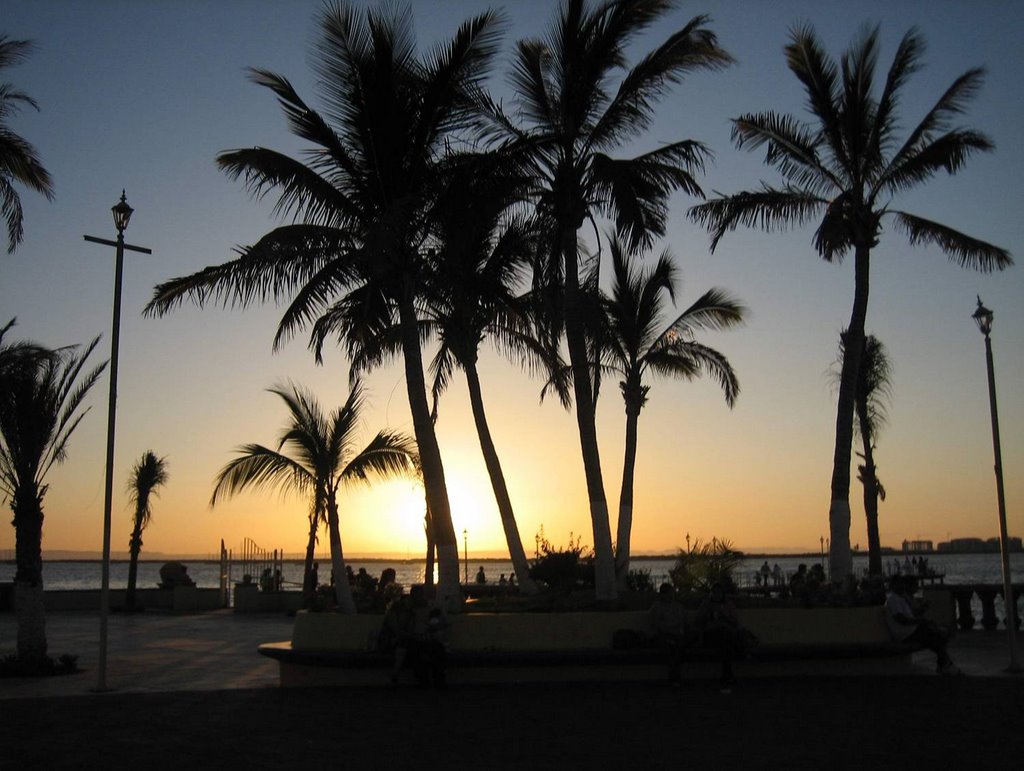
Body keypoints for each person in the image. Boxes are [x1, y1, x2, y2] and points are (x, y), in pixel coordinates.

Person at [885, 574, 959, 675]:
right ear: (893, 585)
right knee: (937, 637)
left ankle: (944, 665)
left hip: (912, 630)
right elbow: (901, 619)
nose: (902, 586)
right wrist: (919, 621)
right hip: (905, 633)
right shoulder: (893, 600)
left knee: (938, 636)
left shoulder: (901, 598)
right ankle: (945, 665)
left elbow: (911, 616)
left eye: (902, 583)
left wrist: (921, 620)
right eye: (899, 584)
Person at [694, 582, 749, 691]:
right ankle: (730, 671)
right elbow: (698, 621)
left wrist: (724, 615)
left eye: (719, 593)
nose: (717, 595)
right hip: (710, 635)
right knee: (725, 636)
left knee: (725, 643)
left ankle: (727, 674)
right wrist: (708, 614)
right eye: (714, 593)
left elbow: (735, 622)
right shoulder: (706, 604)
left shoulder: (728, 604)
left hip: (725, 636)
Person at [649, 583, 692, 684]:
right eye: (668, 593)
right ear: (662, 594)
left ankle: (674, 675)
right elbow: (656, 625)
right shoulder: (657, 607)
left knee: (679, 646)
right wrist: (671, 630)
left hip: (678, 635)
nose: (671, 595)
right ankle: (674, 675)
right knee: (670, 647)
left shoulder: (679, 607)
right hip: (663, 635)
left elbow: (685, 623)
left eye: (671, 593)